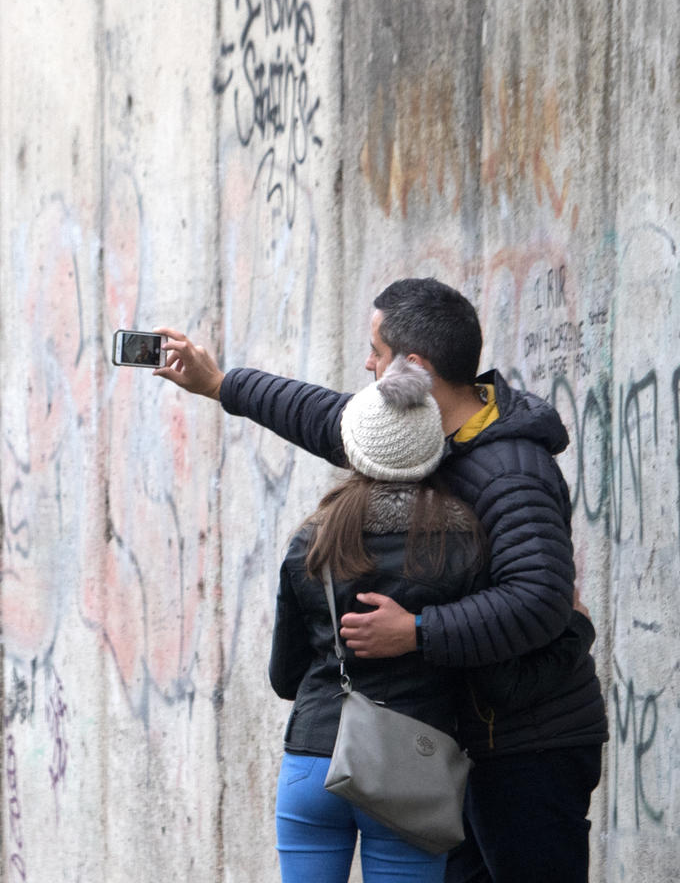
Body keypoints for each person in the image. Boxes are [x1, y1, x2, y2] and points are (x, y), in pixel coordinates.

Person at [158, 277, 608, 883]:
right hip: (459, 739)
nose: (367, 365)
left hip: (528, 744)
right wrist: (219, 384)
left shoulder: (509, 469)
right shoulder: (420, 435)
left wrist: (418, 631)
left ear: (413, 365)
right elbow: (327, 417)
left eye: (375, 350)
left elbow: (540, 602)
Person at [268, 357, 484, 882]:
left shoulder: (312, 541)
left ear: (354, 448)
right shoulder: (465, 543)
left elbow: (283, 677)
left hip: (315, 762)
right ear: (435, 447)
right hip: (414, 765)